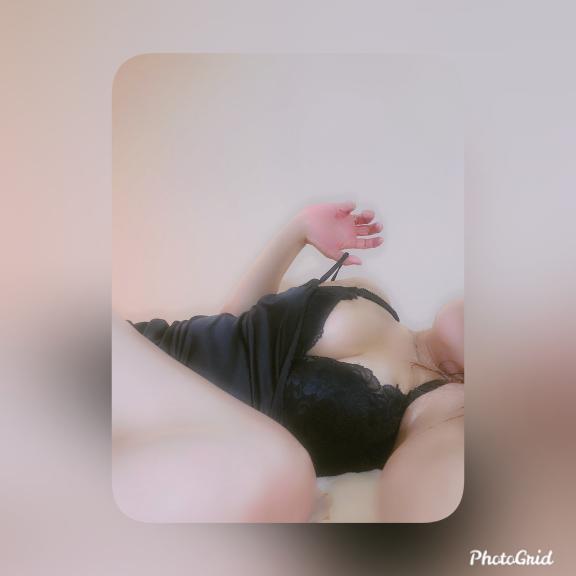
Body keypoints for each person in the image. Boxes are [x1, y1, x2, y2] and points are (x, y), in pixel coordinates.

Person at [112, 201, 464, 522]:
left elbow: (441, 478)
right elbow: (236, 321)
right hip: (143, 356)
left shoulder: (444, 405)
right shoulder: (370, 293)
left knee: (282, 471)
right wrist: (297, 232)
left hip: (189, 446)